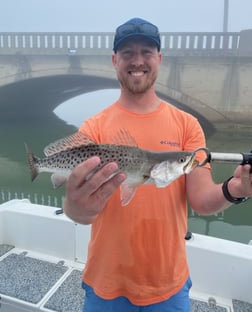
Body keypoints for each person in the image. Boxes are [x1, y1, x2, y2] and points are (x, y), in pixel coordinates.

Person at [63, 17, 252, 312]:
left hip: (169, 287)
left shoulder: (188, 126)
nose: (137, 61)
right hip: (105, 285)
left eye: (146, 52)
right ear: (115, 60)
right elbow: (79, 214)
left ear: (159, 58)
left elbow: (201, 200)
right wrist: (75, 204)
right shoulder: (93, 128)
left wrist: (236, 187)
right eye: (127, 53)